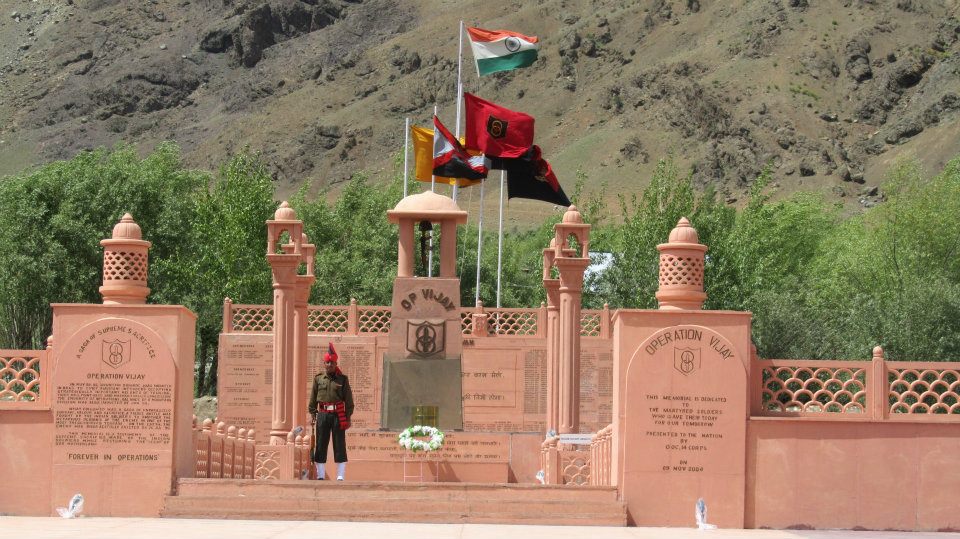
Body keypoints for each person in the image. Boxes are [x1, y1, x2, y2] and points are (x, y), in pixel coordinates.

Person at [309, 342, 354, 480]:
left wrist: (347, 417)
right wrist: (313, 413)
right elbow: (313, 398)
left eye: (332, 363)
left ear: (336, 364)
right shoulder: (318, 379)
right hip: (322, 414)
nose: (330, 365)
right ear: (324, 363)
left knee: (339, 444)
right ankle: (320, 475)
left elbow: (349, 401)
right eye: (327, 362)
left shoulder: (342, 379)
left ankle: (340, 475)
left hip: (338, 415)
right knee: (321, 444)